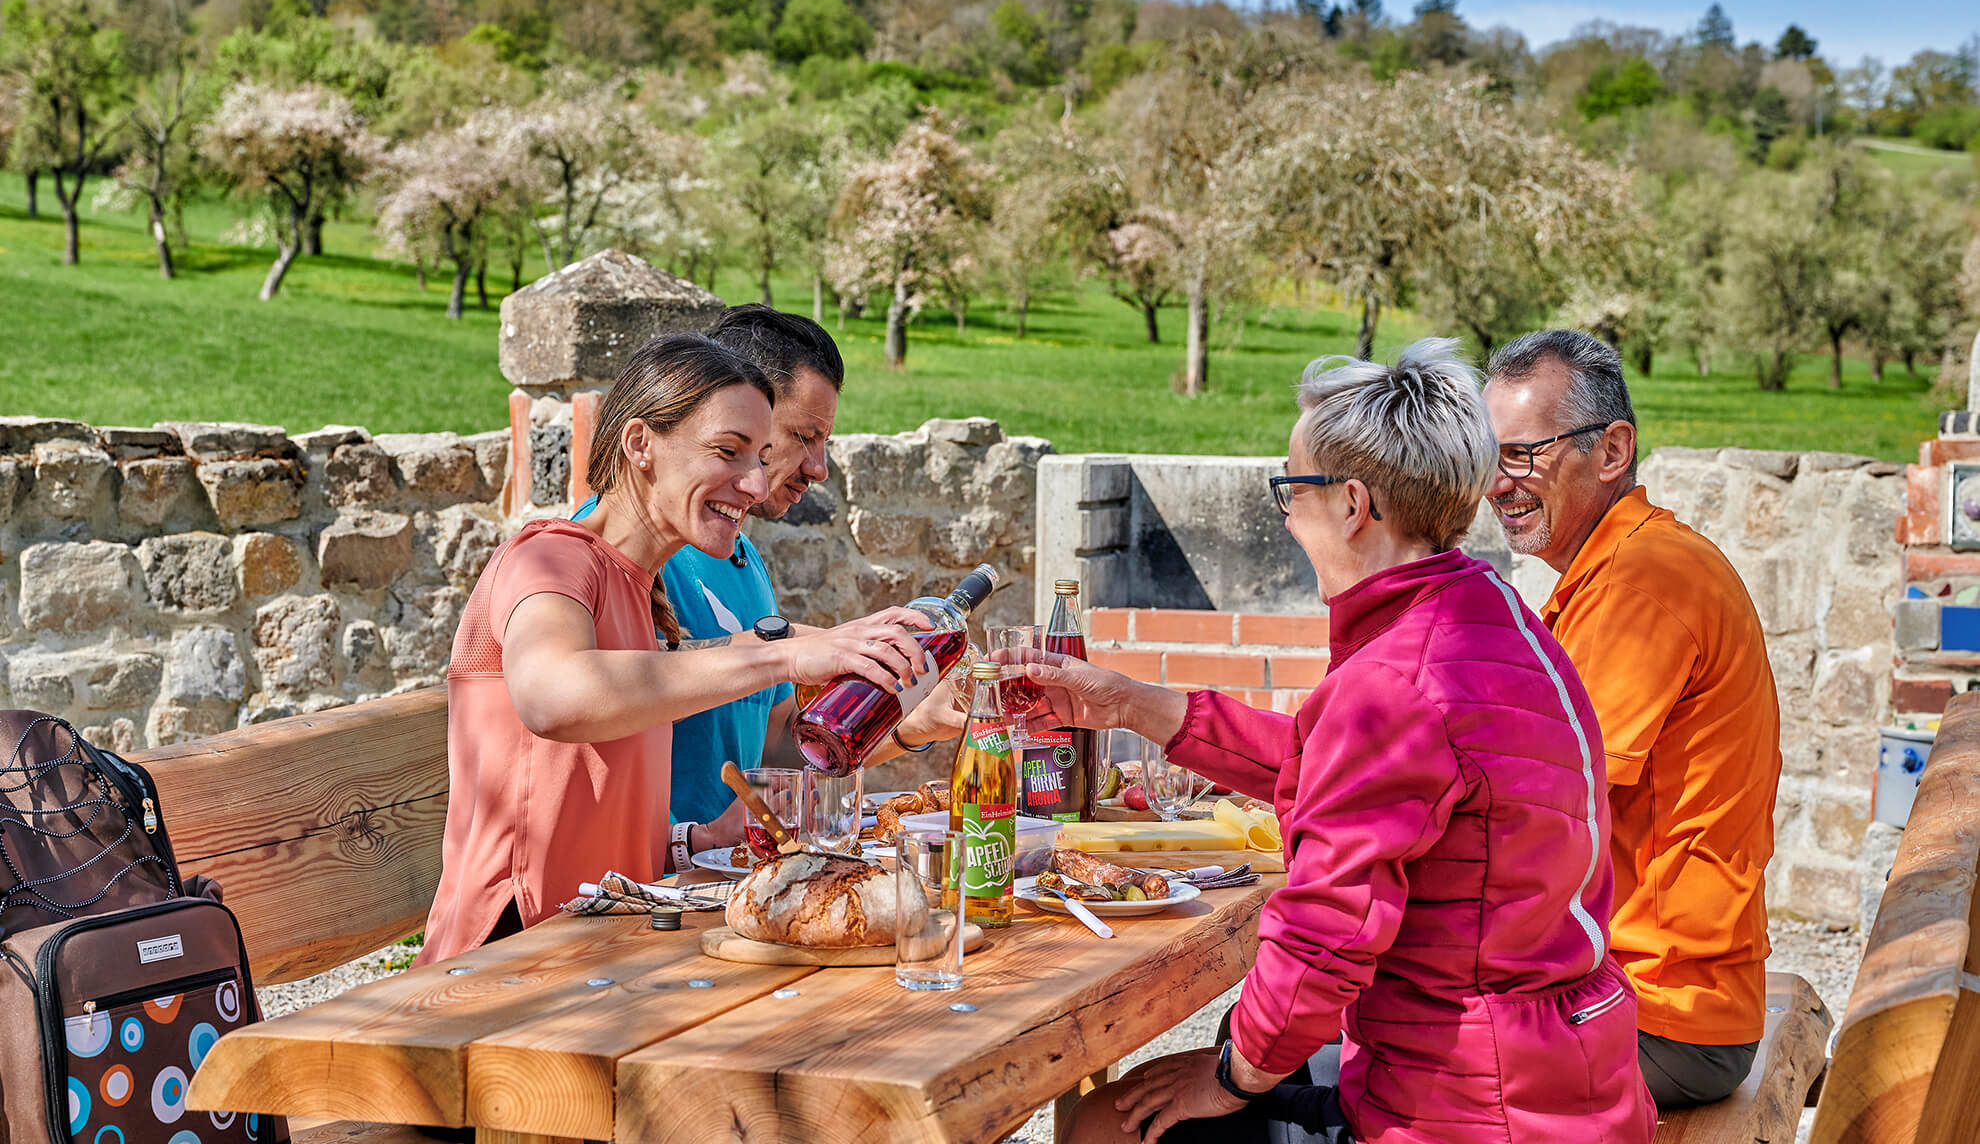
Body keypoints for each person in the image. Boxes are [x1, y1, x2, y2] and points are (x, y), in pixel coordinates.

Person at [1028, 338, 1654, 1144]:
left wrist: (1226, 1080)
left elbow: (1324, 937)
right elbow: (1341, 768)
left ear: (1353, 504)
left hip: (1468, 1112)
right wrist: (1133, 705)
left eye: (1290, 490)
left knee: (1105, 1125)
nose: (1286, 514)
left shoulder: (1393, 683)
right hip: (1561, 1078)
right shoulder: (1491, 618)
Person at [418, 333, 933, 964]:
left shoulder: (646, 591)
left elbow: (612, 818)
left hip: (612, 946)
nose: (751, 482)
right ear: (640, 444)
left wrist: (694, 841)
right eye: (728, 451)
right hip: (508, 963)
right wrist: (784, 654)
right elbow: (552, 697)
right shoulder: (550, 557)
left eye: (762, 455)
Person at [1482, 330, 1779, 1109]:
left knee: (1343, 1067)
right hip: (1630, 997)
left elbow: (1534, 819)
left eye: (1522, 455)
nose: (1495, 485)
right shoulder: (1606, 573)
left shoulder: (1644, 579)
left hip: (1661, 1017)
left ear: (1612, 451)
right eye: (1489, 457)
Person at [576, 305, 963, 864]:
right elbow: (587, 694)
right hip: (649, 894)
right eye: (803, 436)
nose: (819, 467)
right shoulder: (610, 559)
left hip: (721, 880)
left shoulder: (738, 555)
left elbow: (774, 747)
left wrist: (907, 725)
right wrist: (790, 650)